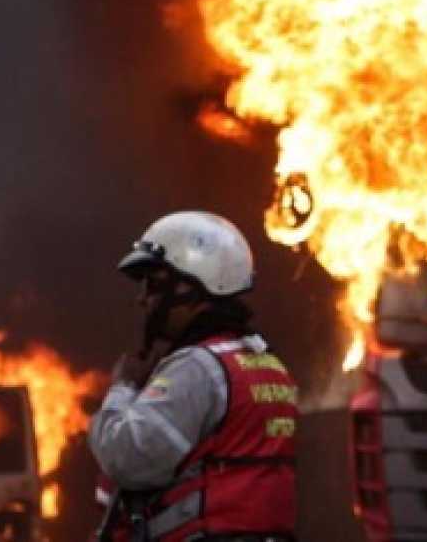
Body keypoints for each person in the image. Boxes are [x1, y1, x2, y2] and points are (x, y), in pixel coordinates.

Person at [88, 211, 298, 542]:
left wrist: (123, 386)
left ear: (192, 287)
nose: (143, 299)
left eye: (154, 284)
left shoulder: (199, 368)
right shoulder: (265, 363)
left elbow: (128, 458)